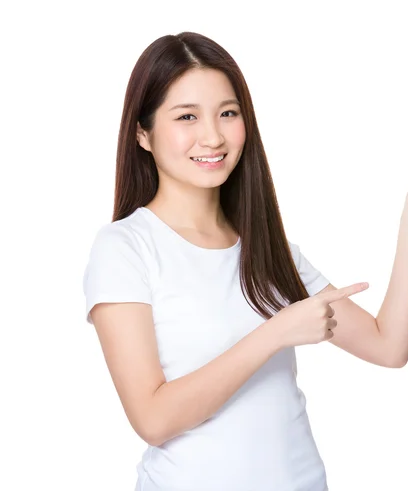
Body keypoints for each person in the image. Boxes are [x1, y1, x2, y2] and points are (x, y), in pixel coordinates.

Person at [82, 31, 371, 491]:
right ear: (142, 132)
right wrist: (276, 332)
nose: (213, 136)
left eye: (228, 113)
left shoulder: (270, 249)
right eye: (187, 116)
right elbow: (153, 419)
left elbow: (389, 345)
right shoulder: (125, 248)